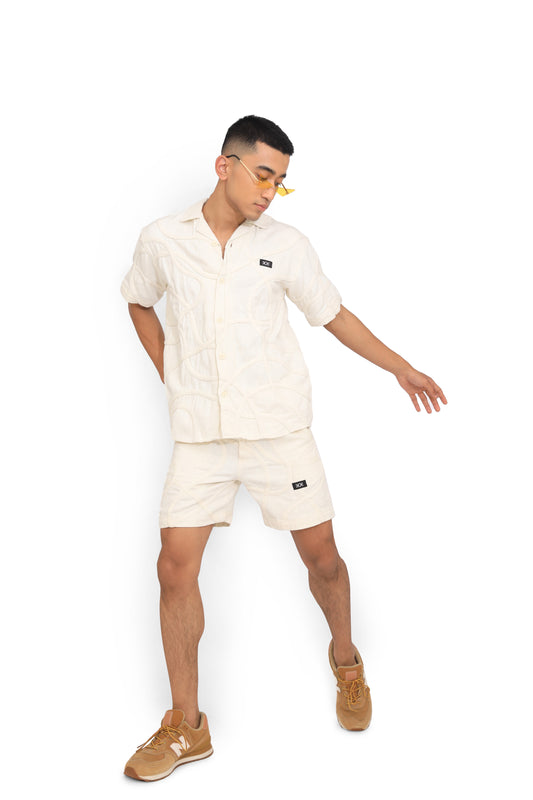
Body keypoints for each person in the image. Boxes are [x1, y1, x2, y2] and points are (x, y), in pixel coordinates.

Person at [119, 114, 447, 782]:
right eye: (263, 175)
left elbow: (333, 315)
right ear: (225, 166)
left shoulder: (286, 245)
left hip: (278, 432)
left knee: (322, 558)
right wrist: (170, 373)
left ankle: (347, 663)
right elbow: (138, 302)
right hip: (200, 437)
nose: (270, 191)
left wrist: (401, 368)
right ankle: (187, 726)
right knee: (173, 569)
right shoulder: (162, 239)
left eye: (281, 181)